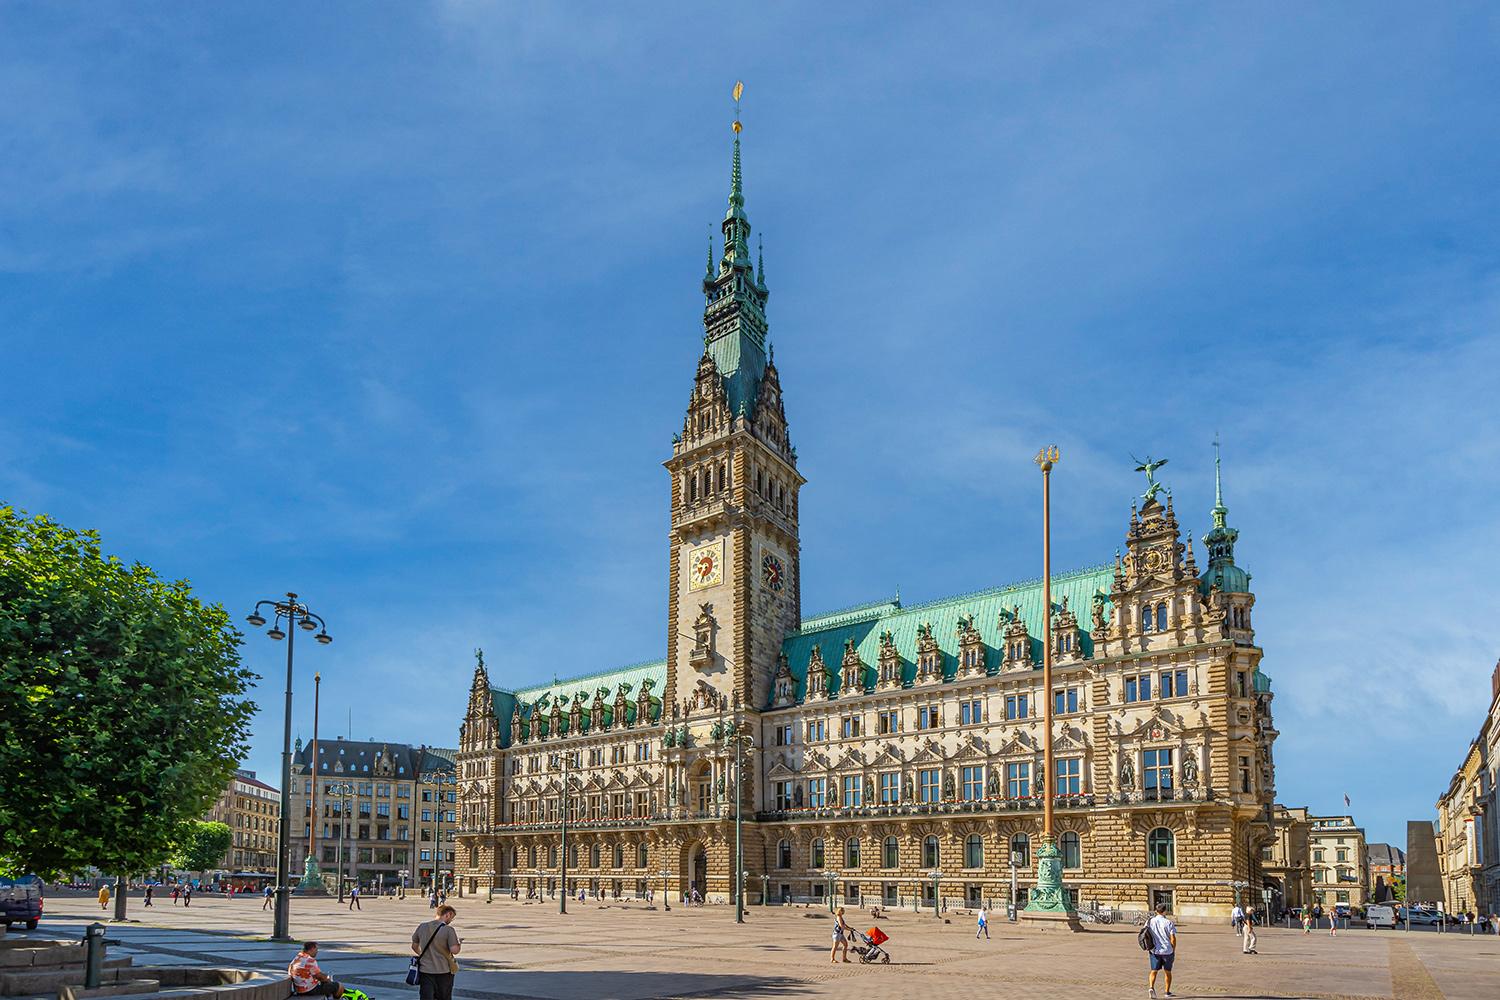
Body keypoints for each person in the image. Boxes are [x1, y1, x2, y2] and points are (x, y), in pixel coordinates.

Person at [411, 905, 461, 1000]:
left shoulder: (422, 926)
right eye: (452, 918)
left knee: (426, 997)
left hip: (425, 971)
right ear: (448, 914)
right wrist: (459, 944)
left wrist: (423, 955)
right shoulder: (448, 930)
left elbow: (414, 946)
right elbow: (455, 950)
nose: (451, 921)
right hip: (444, 971)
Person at [1146, 902, 1177, 999]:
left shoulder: (1149, 921)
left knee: (1153, 971)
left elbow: (1145, 933)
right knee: (1167, 972)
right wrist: (1173, 948)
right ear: (1165, 911)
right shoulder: (1168, 922)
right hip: (1167, 950)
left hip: (1154, 950)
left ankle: (1151, 987)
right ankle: (1167, 992)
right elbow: (1173, 938)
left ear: (1156, 911)